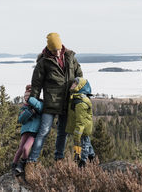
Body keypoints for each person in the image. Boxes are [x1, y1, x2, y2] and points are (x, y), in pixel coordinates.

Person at [26, 32, 83, 168]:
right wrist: (32, 102)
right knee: (44, 132)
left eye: (58, 49)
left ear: (61, 46)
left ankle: (59, 159)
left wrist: (78, 92)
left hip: (66, 102)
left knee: (62, 133)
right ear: (49, 48)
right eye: (53, 50)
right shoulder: (43, 62)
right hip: (50, 103)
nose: (56, 53)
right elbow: (36, 84)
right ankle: (31, 162)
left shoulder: (70, 57)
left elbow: (79, 76)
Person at [12, 85, 43, 176]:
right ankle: (14, 166)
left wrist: (34, 107)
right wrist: (30, 112)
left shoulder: (40, 103)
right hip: (25, 131)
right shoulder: (24, 108)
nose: (26, 98)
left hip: (33, 132)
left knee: (26, 148)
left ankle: (23, 164)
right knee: (20, 149)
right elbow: (21, 119)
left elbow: (40, 108)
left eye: (28, 96)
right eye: (25, 96)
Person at [66, 77, 95, 167]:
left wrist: (77, 134)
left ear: (80, 87)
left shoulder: (80, 102)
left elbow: (81, 121)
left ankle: (83, 162)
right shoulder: (75, 98)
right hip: (82, 127)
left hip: (83, 128)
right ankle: (92, 157)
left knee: (84, 143)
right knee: (87, 141)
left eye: (75, 83)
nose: (72, 85)